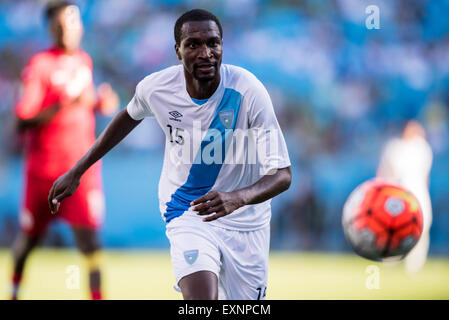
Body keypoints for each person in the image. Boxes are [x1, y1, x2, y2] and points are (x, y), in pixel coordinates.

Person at [49, 9, 292, 300]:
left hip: (246, 222)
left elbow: (282, 175)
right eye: (193, 44)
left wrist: (238, 197)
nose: (205, 53)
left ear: (222, 46)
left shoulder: (248, 91)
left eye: (213, 43)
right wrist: (78, 169)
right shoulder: (157, 88)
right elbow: (127, 117)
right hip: (186, 209)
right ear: (177, 50)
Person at [12, 1, 119, 300]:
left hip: (81, 169)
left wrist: (99, 103)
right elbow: (22, 120)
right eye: (62, 24)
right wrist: (63, 104)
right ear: (51, 28)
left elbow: (80, 103)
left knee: (91, 243)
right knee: (28, 242)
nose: (69, 29)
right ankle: (13, 292)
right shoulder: (40, 66)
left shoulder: (84, 61)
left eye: (73, 22)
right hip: (44, 171)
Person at [377, 120, 433, 274]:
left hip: (417, 192)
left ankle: (415, 263)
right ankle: (389, 258)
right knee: (391, 227)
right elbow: (384, 171)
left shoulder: (422, 148)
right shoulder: (394, 147)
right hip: (397, 193)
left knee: (421, 227)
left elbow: (425, 175)